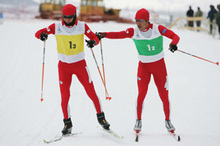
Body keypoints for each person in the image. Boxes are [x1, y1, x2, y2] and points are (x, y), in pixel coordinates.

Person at [96, 8, 180, 133]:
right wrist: (104, 35)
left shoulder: (158, 29)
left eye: (140, 21)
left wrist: (173, 43)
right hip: (144, 67)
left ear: (147, 20)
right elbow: (119, 34)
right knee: (141, 94)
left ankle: (168, 121)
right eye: (136, 21)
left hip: (159, 67)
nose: (138, 23)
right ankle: (138, 121)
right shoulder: (134, 31)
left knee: (164, 95)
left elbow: (175, 36)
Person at [35, 4, 110, 135]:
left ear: (75, 16)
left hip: (80, 65)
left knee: (91, 92)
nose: (67, 20)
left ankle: (101, 118)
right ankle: (67, 124)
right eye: (65, 17)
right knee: (65, 97)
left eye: (70, 17)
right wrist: (42, 36)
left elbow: (95, 37)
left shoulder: (82, 26)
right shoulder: (56, 27)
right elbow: (37, 33)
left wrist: (93, 42)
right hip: (64, 67)